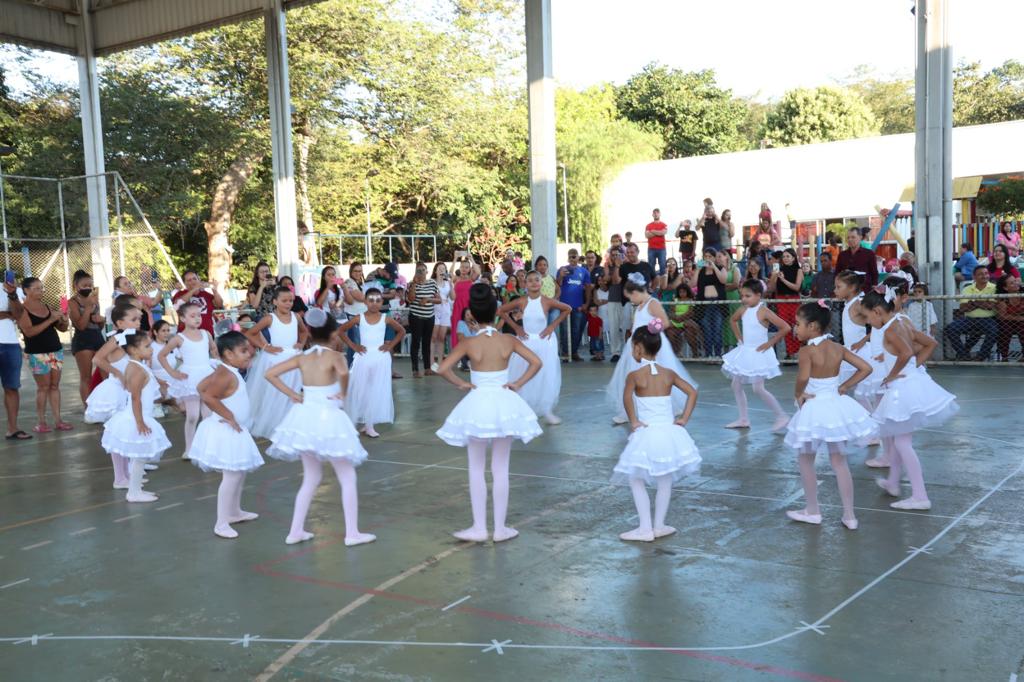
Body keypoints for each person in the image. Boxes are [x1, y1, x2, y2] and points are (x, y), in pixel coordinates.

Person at [435, 283, 543, 542]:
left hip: (478, 403)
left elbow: (442, 368)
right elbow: (536, 362)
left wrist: (461, 383)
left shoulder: (469, 343)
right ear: (496, 312)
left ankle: (479, 528)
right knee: (501, 468)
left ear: (472, 314)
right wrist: (518, 383)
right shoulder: (508, 340)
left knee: (476, 467)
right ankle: (501, 529)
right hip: (505, 402)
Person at [265, 309, 375, 547]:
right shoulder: (336, 357)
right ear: (334, 334)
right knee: (347, 476)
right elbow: (344, 373)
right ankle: (352, 533)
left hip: (304, 419)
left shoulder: (303, 357)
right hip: (328, 419)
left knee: (311, 478)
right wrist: (343, 392)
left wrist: (294, 394)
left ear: (310, 332)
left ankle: (295, 531)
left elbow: (270, 373)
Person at [864, 283, 958, 510]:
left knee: (902, 443)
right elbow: (930, 343)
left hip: (902, 389)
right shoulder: (901, 321)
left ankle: (920, 496)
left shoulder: (889, 330)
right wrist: (912, 367)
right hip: (912, 383)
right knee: (900, 438)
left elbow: (906, 353)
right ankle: (893, 483)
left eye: (867, 317)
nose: (868, 322)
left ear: (877, 312)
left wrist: (892, 375)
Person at [784, 301, 876, 529]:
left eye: (798, 324)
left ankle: (812, 510)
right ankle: (849, 516)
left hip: (814, 408)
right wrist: (844, 386)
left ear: (813, 326)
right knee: (839, 461)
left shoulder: (806, 351)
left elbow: (803, 377)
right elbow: (866, 368)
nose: (795, 328)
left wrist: (798, 394)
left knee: (806, 459)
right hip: (836, 406)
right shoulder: (837, 348)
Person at [613, 322, 700, 542]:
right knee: (664, 479)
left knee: (635, 479)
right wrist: (684, 419)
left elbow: (626, 398)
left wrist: (634, 421)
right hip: (669, 432)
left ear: (637, 348)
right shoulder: (668, 373)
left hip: (647, 432)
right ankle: (659, 525)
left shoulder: (635, 375)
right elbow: (692, 392)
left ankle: (645, 528)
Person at [189, 331, 264, 539]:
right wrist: (229, 416)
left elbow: (200, 387)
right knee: (231, 476)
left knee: (239, 472)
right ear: (229, 354)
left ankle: (234, 512)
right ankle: (221, 523)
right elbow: (208, 396)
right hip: (227, 430)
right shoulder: (227, 374)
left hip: (235, 430)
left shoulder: (225, 371)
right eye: (243, 351)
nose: (249, 354)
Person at [607, 272, 698, 424]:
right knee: (634, 377)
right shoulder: (640, 306)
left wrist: (650, 331)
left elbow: (665, 322)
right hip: (637, 346)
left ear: (635, 293)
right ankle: (629, 411)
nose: (631, 300)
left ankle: (660, 406)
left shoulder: (653, 303)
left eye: (630, 297)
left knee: (653, 377)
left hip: (650, 345)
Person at [101, 332, 172, 503]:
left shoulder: (136, 366)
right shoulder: (137, 369)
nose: (151, 349)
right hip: (136, 417)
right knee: (140, 456)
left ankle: (135, 489)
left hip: (137, 415)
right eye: (147, 346)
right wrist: (140, 422)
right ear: (133, 350)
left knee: (139, 457)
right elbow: (135, 397)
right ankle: (134, 492)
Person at [498, 271, 570, 424]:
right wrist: (516, 328)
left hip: (544, 341)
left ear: (541, 283)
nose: (533, 283)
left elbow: (567, 309)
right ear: (525, 284)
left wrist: (552, 326)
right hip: (526, 341)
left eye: (536, 280)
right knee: (523, 373)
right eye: (529, 280)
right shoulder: (522, 301)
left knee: (546, 375)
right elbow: (501, 311)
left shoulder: (547, 301)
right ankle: (522, 409)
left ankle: (546, 410)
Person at [721, 279, 790, 431]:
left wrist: (770, 343)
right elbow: (733, 320)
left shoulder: (764, 311)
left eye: (748, 296)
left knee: (758, 388)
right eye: (742, 296)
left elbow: (785, 327)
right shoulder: (743, 309)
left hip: (759, 353)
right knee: (736, 385)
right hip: (745, 351)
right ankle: (743, 419)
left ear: (759, 295)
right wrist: (739, 338)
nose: (744, 299)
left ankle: (781, 416)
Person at [339, 288, 406, 438]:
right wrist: (354, 346)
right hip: (364, 357)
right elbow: (341, 331)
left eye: (378, 300)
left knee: (376, 390)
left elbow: (401, 331)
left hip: (380, 357)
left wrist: (390, 345)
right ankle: (364, 422)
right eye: (371, 300)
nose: (374, 303)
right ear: (365, 301)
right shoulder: (359, 318)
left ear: (382, 302)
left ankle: (369, 424)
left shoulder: (385, 318)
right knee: (362, 389)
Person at [244, 286, 308, 439]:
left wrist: (301, 343)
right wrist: (265, 347)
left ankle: (289, 425)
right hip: (275, 359)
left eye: (291, 301)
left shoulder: (296, 317)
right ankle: (274, 425)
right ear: (275, 301)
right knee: (274, 393)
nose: (288, 304)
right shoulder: (270, 318)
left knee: (292, 391)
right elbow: (250, 333)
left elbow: (304, 331)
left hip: (292, 358)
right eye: (284, 301)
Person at [160, 302, 218, 458]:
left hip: (206, 375)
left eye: (199, 315)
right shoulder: (179, 338)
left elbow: (213, 349)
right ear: (183, 318)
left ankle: (207, 447)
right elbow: (161, 355)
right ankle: (189, 448)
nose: (197, 318)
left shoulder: (206, 333)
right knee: (192, 416)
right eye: (193, 316)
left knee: (208, 416)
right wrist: (172, 372)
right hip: (190, 378)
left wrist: (218, 363)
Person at [17, 277, 72, 433]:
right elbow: (29, 332)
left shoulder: (47, 307)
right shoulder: (22, 310)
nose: (41, 291)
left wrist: (65, 319)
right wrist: (50, 320)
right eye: (37, 288)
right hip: (37, 353)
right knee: (43, 387)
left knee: (54, 386)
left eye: (41, 288)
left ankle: (58, 420)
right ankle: (41, 422)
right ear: (26, 290)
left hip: (55, 350)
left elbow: (62, 328)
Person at [85, 303, 141, 426]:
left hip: (133, 386)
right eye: (134, 320)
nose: (138, 322)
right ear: (120, 323)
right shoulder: (118, 339)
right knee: (118, 423)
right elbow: (97, 359)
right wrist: (117, 373)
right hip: (118, 388)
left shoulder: (137, 339)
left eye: (139, 319)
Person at [945, 265, 997, 360]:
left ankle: (981, 356)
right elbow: (963, 308)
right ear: (974, 277)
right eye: (980, 274)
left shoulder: (995, 288)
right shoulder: (967, 289)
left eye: (986, 273)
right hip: (969, 319)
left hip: (988, 319)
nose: (984, 276)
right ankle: (964, 355)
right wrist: (982, 302)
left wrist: (973, 302)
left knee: (994, 331)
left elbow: (990, 306)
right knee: (950, 329)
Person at [68, 270, 105, 404]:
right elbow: (81, 326)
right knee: (86, 377)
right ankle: (88, 408)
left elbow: (99, 326)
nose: (88, 288)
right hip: (83, 340)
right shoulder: (72, 302)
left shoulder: (94, 299)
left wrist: (102, 320)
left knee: (106, 373)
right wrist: (89, 307)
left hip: (97, 337)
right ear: (76, 286)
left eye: (90, 285)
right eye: (84, 285)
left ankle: (105, 404)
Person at [0, 275, 28, 440]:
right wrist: (5, 313)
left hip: (10, 344)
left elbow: (18, 314)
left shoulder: (14, 290)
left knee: (11, 387)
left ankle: (13, 429)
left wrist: (11, 295)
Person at [405, 262, 440, 378]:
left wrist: (429, 299)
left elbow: (439, 300)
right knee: (416, 342)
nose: (421, 272)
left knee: (427, 342)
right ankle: (415, 369)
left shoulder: (432, 283)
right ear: (415, 272)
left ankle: (427, 368)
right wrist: (414, 284)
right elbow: (410, 299)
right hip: (416, 317)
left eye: (423, 270)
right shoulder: (411, 284)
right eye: (418, 270)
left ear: (427, 271)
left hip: (429, 317)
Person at [556, 248, 592, 362]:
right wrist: (561, 276)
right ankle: (566, 353)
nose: (572, 258)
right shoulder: (562, 269)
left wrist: (586, 303)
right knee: (564, 330)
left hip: (578, 306)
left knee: (576, 330)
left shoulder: (584, 271)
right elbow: (557, 285)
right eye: (570, 256)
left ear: (578, 257)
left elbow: (588, 288)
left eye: (574, 256)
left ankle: (574, 352)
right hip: (563, 306)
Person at [770, 248, 803, 358]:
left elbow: (797, 287)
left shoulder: (798, 270)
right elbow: (772, 288)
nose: (785, 258)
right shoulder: (779, 270)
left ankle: (798, 349)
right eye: (784, 256)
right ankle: (790, 352)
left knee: (797, 325)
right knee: (785, 326)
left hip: (794, 300)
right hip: (781, 300)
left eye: (788, 256)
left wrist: (783, 280)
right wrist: (774, 277)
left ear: (793, 258)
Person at [695, 248, 727, 357]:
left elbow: (723, 280)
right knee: (707, 331)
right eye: (706, 256)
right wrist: (697, 270)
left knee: (717, 330)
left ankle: (717, 354)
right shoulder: (701, 271)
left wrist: (714, 267)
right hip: (704, 305)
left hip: (718, 305)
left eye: (710, 256)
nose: (708, 258)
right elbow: (692, 284)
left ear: (714, 258)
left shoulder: (720, 268)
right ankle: (708, 354)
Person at [172, 271, 223, 336]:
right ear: (185, 283)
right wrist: (194, 289)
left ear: (199, 280)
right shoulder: (180, 294)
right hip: (186, 335)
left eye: (194, 279)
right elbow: (179, 303)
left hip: (207, 334)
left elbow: (219, 304)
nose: (193, 281)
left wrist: (215, 290)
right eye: (189, 280)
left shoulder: (206, 294)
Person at [342, 261, 367, 365]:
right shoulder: (349, 282)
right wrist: (371, 297)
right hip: (353, 316)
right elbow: (360, 297)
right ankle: (351, 367)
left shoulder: (361, 283)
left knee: (358, 343)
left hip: (361, 316)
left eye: (360, 271)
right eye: (355, 271)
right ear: (351, 272)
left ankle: (356, 367)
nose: (358, 273)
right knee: (355, 343)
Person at [666, 285, 702, 357]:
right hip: (675, 320)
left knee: (691, 331)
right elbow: (671, 311)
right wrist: (676, 317)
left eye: (684, 292)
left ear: (687, 292)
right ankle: (676, 354)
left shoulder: (690, 300)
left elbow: (691, 312)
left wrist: (681, 317)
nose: (682, 293)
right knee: (668, 331)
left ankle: (696, 353)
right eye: (680, 292)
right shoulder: (675, 300)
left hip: (686, 320)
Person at [430, 262, 453, 372]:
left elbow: (453, 297)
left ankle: (440, 364)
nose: (442, 271)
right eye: (439, 269)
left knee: (441, 338)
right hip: (434, 310)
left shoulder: (448, 282)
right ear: (435, 271)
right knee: (433, 337)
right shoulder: (431, 282)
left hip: (445, 311)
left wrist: (451, 283)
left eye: (443, 269)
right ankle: (431, 364)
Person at [996, 274, 1024, 361]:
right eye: (1012, 283)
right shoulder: (1003, 299)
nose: (1016, 283)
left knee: (1023, 328)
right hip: (1007, 321)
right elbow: (1002, 316)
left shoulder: (1022, 294)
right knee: (1004, 328)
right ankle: (1004, 356)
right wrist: (1018, 318)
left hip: (1021, 321)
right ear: (1005, 288)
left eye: (1015, 281)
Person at [604, 248, 625, 361]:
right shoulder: (608, 267)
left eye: (617, 254)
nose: (615, 256)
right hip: (613, 299)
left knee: (626, 327)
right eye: (613, 255)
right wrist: (612, 268)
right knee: (614, 327)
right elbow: (607, 280)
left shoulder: (626, 266)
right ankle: (615, 352)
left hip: (625, 300)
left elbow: (618, 280)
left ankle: (627, 351)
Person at [449, 258, 476, 348]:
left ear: (469, 269)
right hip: (457, 307)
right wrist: (455, 258)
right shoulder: (456, 279)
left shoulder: (471, 278)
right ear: (459, 268)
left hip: (468, 307)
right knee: (456, 328)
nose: (464, 269)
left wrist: (471, 258)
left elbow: (478, 271)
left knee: (470, 327)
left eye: (466, 267)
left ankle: (469, 351)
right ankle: (457, 351)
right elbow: (450, 273)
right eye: (462, 267)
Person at [645, 208, 669, 276]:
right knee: (651, 266)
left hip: (662, 249)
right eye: (654, 213)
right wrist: (658, 232)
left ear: (660, 214)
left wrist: (652, 231)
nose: (656, 214)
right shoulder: (648, 225)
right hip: (651, 249)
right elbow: (647, 235)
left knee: (662, 266)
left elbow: (662, 233)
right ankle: (653, 281)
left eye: (657, 213)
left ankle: (663, 281)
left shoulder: (664, 225)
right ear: (652, 215)